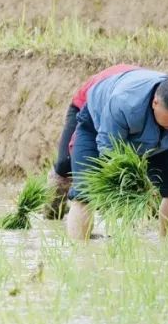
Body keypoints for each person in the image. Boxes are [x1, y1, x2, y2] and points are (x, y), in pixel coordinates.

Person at [65, 68, 168, 240]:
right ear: (156, 103)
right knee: (85, 192)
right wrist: (133, 190)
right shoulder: (125, 102)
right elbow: (109, 152)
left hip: (158, 142)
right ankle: (79, 254)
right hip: (98, 128)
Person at [45, 63, 139, 218]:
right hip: (85, 106)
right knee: (65, 163)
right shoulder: (118, 93)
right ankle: (52, 214)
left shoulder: (145, 101)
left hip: (122, 112)